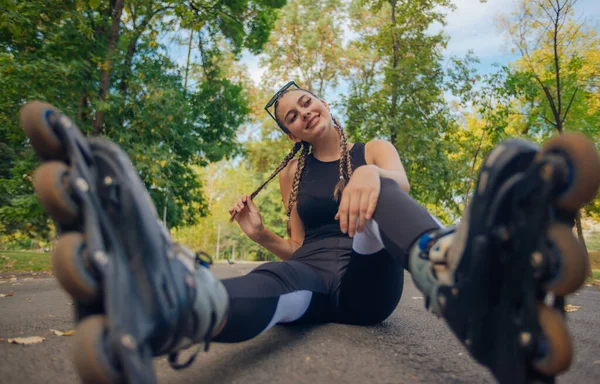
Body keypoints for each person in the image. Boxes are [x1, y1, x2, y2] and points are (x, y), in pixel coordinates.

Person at [20, 81, 599, 384]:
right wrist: (261, 234)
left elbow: (397, 188)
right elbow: (299, 248)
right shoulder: (295, 173)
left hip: (371, 269)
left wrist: (369, 173)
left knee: (377, 201)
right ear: (291, 132)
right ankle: (178, 306)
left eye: (305, 102)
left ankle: (449, 270)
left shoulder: (372, 148)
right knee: (274, 281)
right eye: (292, 116)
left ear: (321, 101)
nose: (303, 114)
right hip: (315, 277)